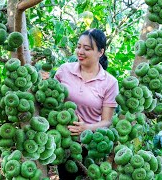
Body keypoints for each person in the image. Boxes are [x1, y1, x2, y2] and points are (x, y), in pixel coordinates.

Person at [42, 29, 119, 179]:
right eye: (78, 47)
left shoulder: (110, 83)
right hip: (63, 141)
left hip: (90, 145)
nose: (80, 51)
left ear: (100, 52)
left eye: (87, 48)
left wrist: (86, 128)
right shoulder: (65, 70)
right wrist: (43, 81)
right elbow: (50, 99)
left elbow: (107, 121)